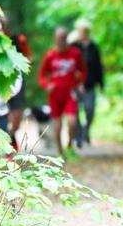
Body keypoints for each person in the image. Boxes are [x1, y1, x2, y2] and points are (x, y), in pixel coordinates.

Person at [39, 26, 86, 159]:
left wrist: (81, 83)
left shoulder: (75, 53)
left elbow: (83, 70)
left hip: (70, 93)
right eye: (59, 38)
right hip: (55, 95)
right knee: (57, 125)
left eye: (64, 38)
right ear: (55, 39)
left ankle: (70, 146)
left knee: (72, 122)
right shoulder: (50, 55)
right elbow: (42, 75)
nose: (62, 41)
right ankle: (60, 151)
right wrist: (46, 85)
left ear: (67, 38)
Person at [0, 15, 31, 150]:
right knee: (0, 117)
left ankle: (10, 139)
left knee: (16, 121)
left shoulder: (19, 40)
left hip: (15, 81)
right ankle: (6, 149)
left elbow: (28, 58)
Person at [72, 18, 105, 148]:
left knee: (90, 110)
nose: (82, 33)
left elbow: (99, 67)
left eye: (84, 31)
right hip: (75, 85)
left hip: (90, 85)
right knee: (74, 112)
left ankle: (85, 131)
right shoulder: (74, 47)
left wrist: (101, 83)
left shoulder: (94, 47)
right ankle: (79, 136)